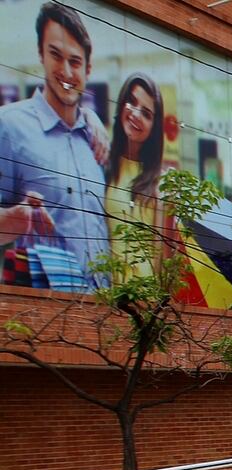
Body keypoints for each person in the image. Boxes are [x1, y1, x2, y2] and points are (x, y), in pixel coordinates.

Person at [0, 2, 110, 286]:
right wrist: (10, 220)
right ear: (40, 54)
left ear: (88, 69)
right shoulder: (10, 126)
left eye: (74, 62)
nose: (66, 72)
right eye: (55, 56)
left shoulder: (95, 140)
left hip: (105, 313)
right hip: (44, 316)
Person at [103, 73, 164, 274]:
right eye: (131, 102)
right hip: (106, 293)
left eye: (146, 113)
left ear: (154, 127)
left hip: (144, 296)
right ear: (121, 103)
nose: (136, 114)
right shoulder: (103, 164)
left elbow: (160, 255)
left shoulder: (158, 184)